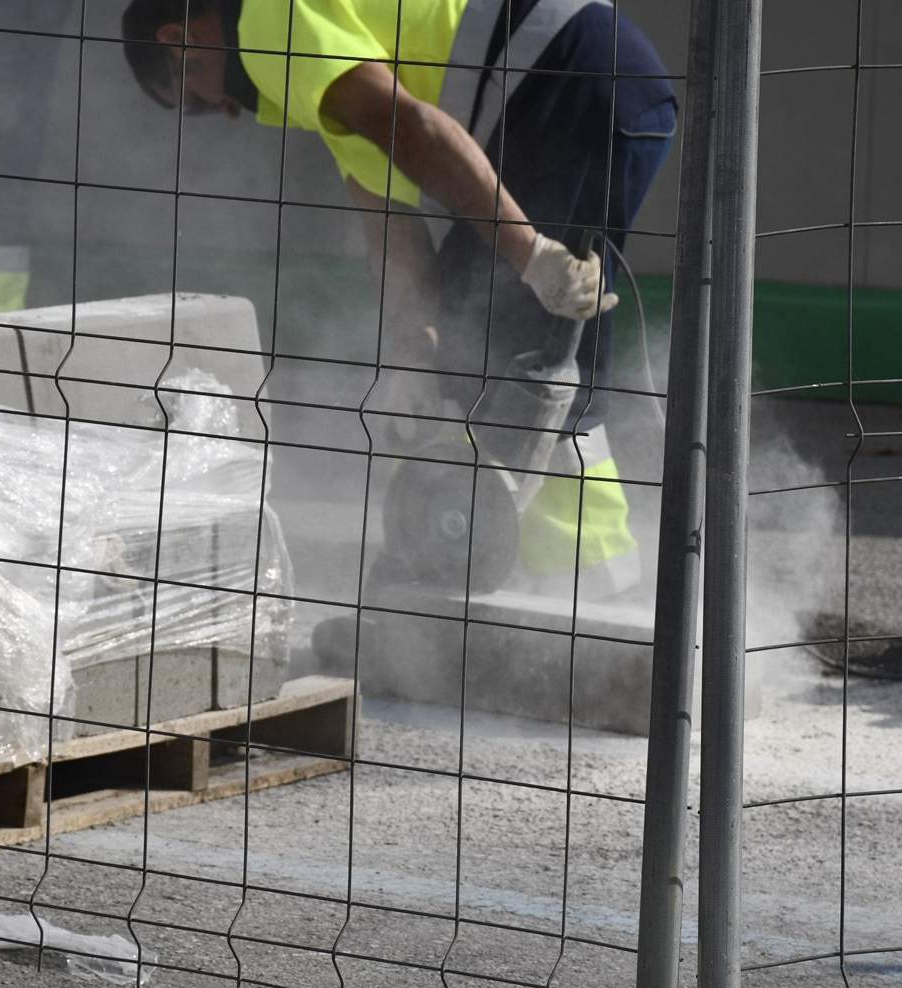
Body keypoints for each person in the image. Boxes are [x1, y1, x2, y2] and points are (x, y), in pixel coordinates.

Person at [122, 0, 676, 598]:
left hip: (563, 76)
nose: (226, 111)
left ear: (182, 38)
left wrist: (533, 257)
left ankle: (563, 577)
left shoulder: (267, 27)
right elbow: (389, 227)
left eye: (198, 98)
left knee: (507, 345)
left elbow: (418, 132)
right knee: (498, 331)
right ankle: (561, 569)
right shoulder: (316, 57)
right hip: (584, 72)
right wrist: (415, 352)